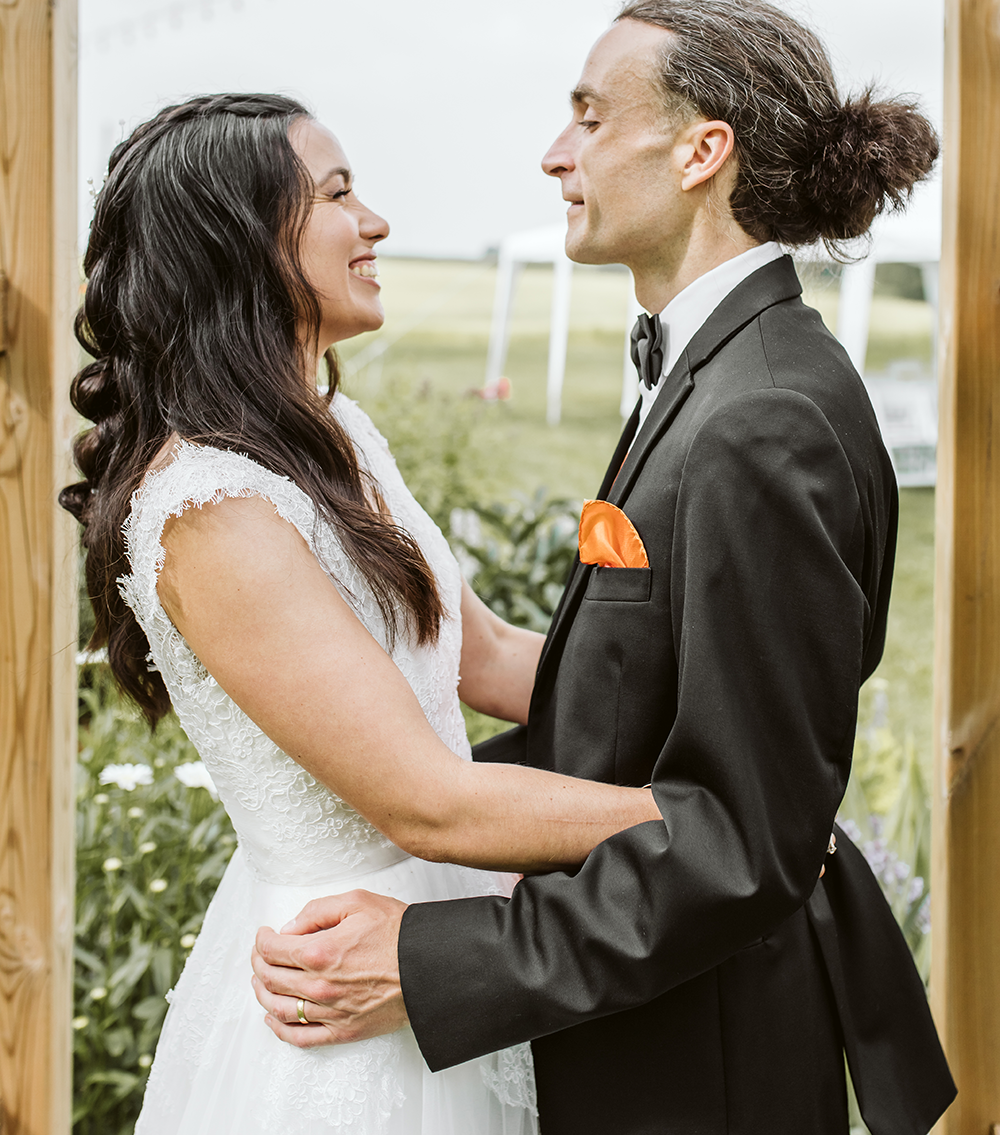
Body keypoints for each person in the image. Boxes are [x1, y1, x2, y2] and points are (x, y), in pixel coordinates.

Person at [250, 0, 956, 1135]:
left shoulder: (760, 417)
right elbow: (642, 705)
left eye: (588, 115)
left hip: (699, 1059)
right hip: (653, 1014)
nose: (552, 153)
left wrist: (436, 960)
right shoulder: (717, 377)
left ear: (700, 152)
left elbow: (739, 841)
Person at [61, 92, 667, 1135]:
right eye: (339, 194)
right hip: (337, 992)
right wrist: (714, 826)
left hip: (434, 946)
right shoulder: (215, 512)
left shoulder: (334, 431)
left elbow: (485, 658)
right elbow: (427, 803)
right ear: (238, 244)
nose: (376, 223)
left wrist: (727, 696)